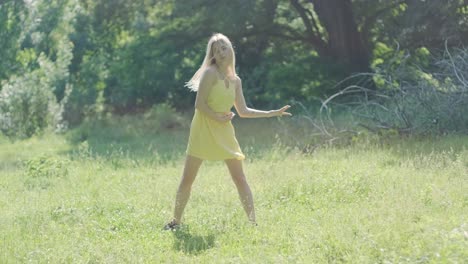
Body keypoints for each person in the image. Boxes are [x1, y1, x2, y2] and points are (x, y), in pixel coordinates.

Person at [164, 33, 291, 230]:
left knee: (240, 178)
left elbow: (243, 111)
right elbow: (199, 104)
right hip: (203, 128)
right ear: (213, 56)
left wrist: (271, 113)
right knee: (188, 179)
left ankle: (252, 223)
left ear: (231, 49)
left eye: (224, 48)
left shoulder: (236, 80)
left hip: (224, 131)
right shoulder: (210, 74)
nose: (221, 52)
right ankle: (175, 222)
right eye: (216, 50)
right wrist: (217, 117)